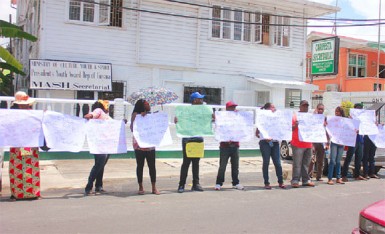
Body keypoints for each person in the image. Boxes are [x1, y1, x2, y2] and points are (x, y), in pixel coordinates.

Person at [9, 91, 41, 200]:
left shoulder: (32, 113)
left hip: (30, 143)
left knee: (31, 168)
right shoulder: (12, 115)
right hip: (18, 144)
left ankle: (33, 192)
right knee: (18, 168)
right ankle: (17, 193)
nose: (27, 105)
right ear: (18, 104)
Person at [177, 92, 209, 193]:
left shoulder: (203, 111)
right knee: (186, 163)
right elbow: (178, 120)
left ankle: (196, 184)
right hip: (188, 139)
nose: (202, 101)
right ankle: (181, 185)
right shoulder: (186, 111)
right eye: (200, 99)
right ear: (195, 100)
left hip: (198, 138)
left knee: (196, 163)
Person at [130, 99, 160, 195]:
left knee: (152, 166)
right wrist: (140, 117)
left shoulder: (150, 115)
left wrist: (156, 116)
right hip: (139, 145)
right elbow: (132, 128)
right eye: (146, 104)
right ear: (141, 106)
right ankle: (141, 187)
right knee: (140, 166)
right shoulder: (135, 115)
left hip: (150, 145)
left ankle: (154, 187)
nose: (148, 105)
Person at [214, 101, 244, 191]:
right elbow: (219, 129)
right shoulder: (222, 118)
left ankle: (236, 182)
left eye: (234, 107)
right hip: (224, 145)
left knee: (235, 165)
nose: (233, 109)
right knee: (222, 165)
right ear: (227, 108)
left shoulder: (238, 118)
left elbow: (241, 128)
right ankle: (219, 183)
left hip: (235, 145)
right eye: (231, 107)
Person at [84, 100, 111, 195]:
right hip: (99, 144)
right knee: (98, 165)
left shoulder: (106, 116)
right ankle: (89, 187)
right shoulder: (99, 111)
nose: (108, 108)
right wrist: (90, 116)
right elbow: (93, 114)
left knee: (101, 165)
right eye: (107, 106)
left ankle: (99, 186)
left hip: (106, 144)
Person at [256, 102, 286, 189]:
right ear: (267, 109)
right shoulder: (261, 118)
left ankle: (280, 181)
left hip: (275, 142)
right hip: (265, 143)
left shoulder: (277, 118)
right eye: (273, 107)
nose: (274, 109)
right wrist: (264, 136)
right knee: (266, 162)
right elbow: (258, 132)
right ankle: (266, 182)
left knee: (277, 163)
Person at [291, 100, 315, 188]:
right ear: (300, 107)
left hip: (308, 144)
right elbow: (289, 129)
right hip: (297, 144)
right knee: (297, 163)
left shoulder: (310, 117)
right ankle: (295, 180)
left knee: (306, 164)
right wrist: (295, 126)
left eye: (307, 106)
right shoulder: (295, 116)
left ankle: (306, 180)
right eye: (304, 106)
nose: (305, 107)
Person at [341, 103, 365, 182]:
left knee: (359, 158)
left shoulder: (362, 119)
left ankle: (357, 175)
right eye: (357, 108)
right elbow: (346, 127)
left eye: (360, 109)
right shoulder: (350, 118)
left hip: (360, 140)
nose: (359, 110)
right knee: (349, 158)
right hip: (352, 140)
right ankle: (344, 175)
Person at [308, 103, 328, 181]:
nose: (320, 110)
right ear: (316, 109)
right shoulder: (312, 117)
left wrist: (327, 143)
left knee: (320, 160)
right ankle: (308, 175)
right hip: (313, 141)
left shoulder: (325, 118)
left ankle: (319, 176)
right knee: (311, 159)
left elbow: (327, 131)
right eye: (319, 109)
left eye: (321, 109)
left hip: (322, 141)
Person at [327, 106, 346, 185]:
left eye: (338, 111)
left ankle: (338, 177)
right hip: (334, 142)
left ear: (341, 113)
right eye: (335, 111)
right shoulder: (332, 120)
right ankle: (330, 178)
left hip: (341, 142)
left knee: (338, 161)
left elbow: (349, 128)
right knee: (332, 160)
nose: (336, 113)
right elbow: (328, 128)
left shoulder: (345, 121)